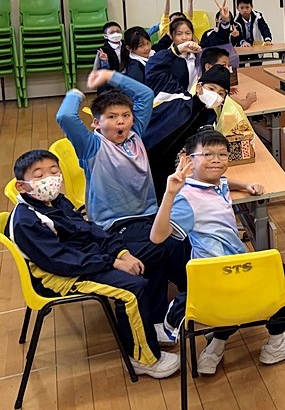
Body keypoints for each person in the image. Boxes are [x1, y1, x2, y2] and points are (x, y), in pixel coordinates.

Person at [6, 149, 180, 378]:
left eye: (54, 171)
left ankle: (152, 324)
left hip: (87, 257)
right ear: (21, 186)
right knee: (133, 289)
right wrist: (112, 263)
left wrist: (122, 253)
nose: (49, 179)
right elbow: (61, 261)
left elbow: (90, 230)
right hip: (62, 276)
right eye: (39, 175)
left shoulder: (56, 201)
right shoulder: (26, 221)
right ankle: (143, 359)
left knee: (154, 252)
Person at [152, 131, 285, 375]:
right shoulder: (186, 198)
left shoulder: (216, 183)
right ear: (188, 160)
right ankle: (277, 343)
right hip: (223, 279)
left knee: (237, 294)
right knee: (279, 273)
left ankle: (215, 347)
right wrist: (170, 193)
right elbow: (157, 237)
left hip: (212, 283)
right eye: (207, 155)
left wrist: (245, 185)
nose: (216, 160)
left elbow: (224, 181)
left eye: (222, 155)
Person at [56, 69, 186, 339]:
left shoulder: (136, 134)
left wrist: (110, 75)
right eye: (112, 117)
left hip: (149, 216)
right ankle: (158, 319)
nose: (121, 122)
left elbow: (145, 94)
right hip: (115, 225)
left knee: (182, 243)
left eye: (126, 116)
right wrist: (76, 93)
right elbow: (65, 116)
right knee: (159, 250)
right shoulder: (92, 146)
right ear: (96, 123)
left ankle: (179, 307)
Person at [143, 64, 232, 200]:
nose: (215, 95)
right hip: (143, 153)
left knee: (161, 200)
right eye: (211, 89)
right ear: (199, 87)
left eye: (221, 94)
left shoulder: (210, 118)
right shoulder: (177, 97)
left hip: (168, 166)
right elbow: (153, 70)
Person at [146, 17, 202, 96]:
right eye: (179, 34)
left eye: (188, 33)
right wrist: (178, 49)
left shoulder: (198, 54)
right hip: (178, 99)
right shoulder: (165, 57)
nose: (184, 38)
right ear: (172, 36)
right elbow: (151, 72)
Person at [201, 46, 256, 111]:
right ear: (208, 67)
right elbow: (244, 105)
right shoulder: (210, 89)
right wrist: (250, 98)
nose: (227, 69)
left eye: (228, 65)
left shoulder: (202, 82)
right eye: (223, 65)